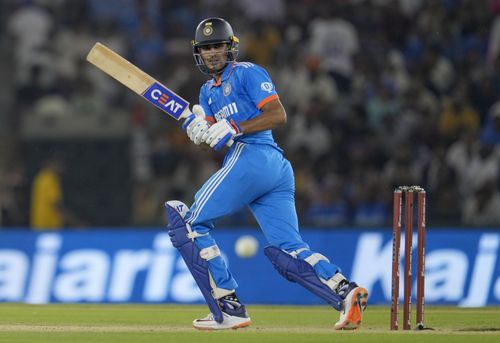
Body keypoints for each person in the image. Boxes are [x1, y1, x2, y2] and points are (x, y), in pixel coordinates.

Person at [165, 17, 368, 331]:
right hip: (270, 169)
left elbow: (277, 114)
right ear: (198, 53)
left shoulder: (246, 72)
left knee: (190, 226)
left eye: (217, 45)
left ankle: (228, 307)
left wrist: (234, 127)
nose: (212, 53)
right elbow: (213, 137)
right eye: (206, 48)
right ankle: (344, 291)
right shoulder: (207, 92)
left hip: (255, 156)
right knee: (288, 249)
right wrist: (196, 130)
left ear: (230, 47)